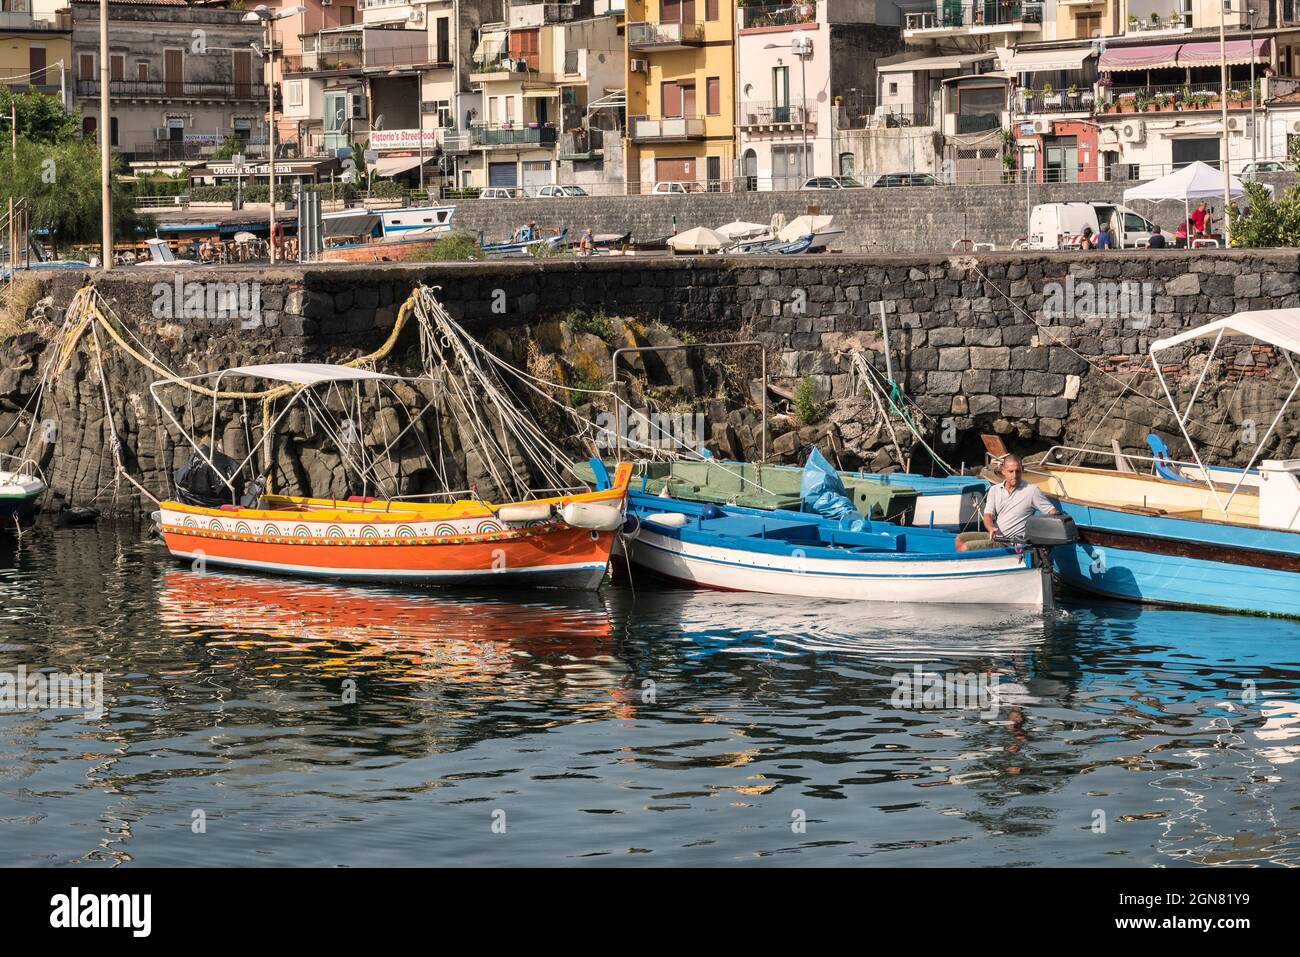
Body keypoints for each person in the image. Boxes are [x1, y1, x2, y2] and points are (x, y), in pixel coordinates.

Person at [982, 455, 1058, 543]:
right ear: (1003, 471)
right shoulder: (994, 489)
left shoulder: (1031, 491)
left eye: (1017, 471)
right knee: (963, 538)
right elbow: (988, 515)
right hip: (994, 536)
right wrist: (991, 528)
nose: (1014, 475)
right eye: (1011, 471)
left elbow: (1053, 512)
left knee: (965, 547)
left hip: (1010, 543)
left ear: (1022, 470)